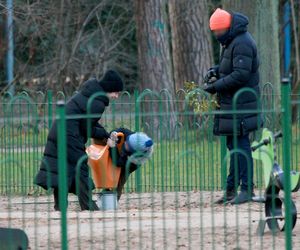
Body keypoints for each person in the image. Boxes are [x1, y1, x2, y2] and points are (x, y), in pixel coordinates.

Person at [34, 70, 124, 211]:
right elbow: (87, 128)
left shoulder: (90, 94)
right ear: (109, 88)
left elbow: (89, 123)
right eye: (116, 92)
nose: (116, 96)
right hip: (70, 135)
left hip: (58, 130)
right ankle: (88, 206)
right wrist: (105, 136)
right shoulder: (97, 103)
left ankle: (60, 207)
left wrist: (105, 135)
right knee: (81, 166)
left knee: (61, 169)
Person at [203, 8, 261, 204]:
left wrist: (215, 86)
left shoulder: (242, 42)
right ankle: (231, 190)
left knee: (241, 145)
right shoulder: (231, 41)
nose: (216, 36)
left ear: (226, 28)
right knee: (234, 145)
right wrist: (216, 70)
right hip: (232, 104)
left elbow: (241, 74)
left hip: (242, 104)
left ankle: (247, 189)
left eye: (217, 32)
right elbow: (231, 67)